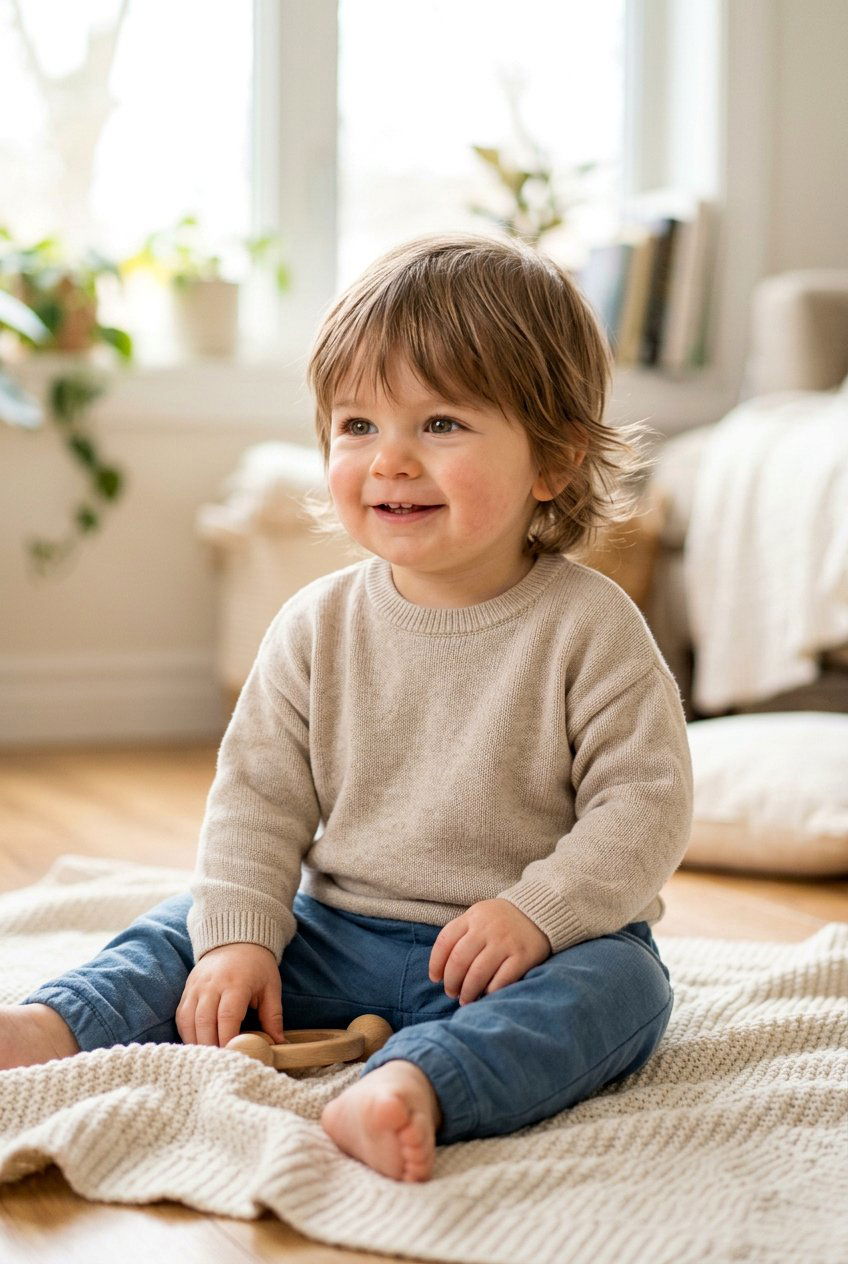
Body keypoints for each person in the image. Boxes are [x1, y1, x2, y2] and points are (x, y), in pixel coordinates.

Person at [0, 232, 693, 1184]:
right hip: (336, 931)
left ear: (554, 460)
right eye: (357, 426)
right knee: (186, 927)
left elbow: (644, 807)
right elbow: (255, 801)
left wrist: (539, 914)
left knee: (625, 990)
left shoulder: (592, 626)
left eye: (441, 424)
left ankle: (416, 1086)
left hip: (525, 950)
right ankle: (49, 1026)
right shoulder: (314, 626)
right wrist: (242, 941)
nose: (390, 461)